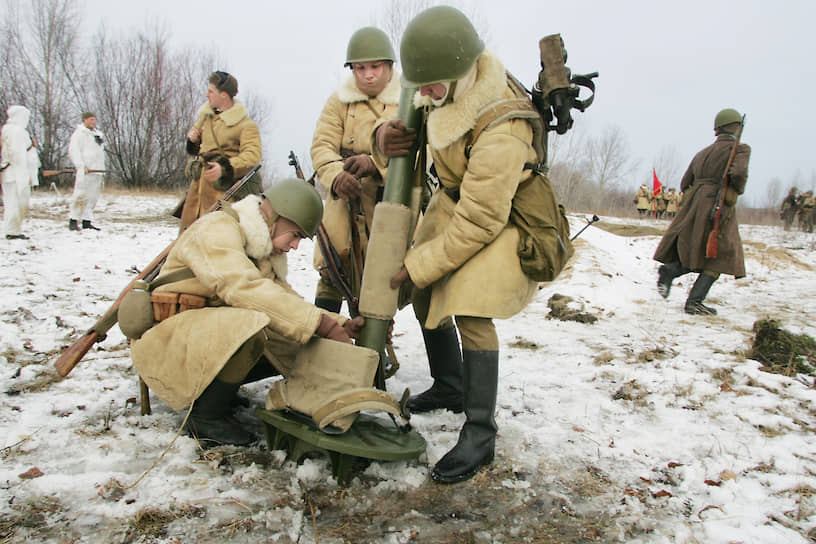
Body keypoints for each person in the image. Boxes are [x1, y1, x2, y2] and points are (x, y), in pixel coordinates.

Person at [374, 6, 545, 483]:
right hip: (454, 206)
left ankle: (480, 433)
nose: (423, 94)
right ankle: (450, 386)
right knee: (425, 294)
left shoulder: (503, 124)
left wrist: (421, 263)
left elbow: (481, 219)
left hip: (505, 219)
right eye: (421, 86)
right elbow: (401, 118)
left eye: (431, 86)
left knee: (469, 307)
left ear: (461, 68)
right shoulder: (441, 80)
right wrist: (385, 136)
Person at [130, 179, 365, 445]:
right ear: (278, 216)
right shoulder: (216, 228)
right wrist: (320, 324)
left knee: (292, 333)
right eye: (296, 235)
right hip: (168, 342)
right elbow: (243, 288)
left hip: (197, 339)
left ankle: (217, 391)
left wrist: (339, 324)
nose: (295, 246)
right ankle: (205, 416)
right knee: (253, 323)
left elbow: (281, 299)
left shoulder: (260, 249)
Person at [310, 27, 400, 312]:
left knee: (392, 281)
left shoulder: (409, 101)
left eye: (375, 67)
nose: (368, 74)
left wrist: (376, 163)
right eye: (361, 68)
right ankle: (326, 348)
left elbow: (422, 151)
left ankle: (374, 350)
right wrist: (337, 177)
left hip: (390, 205)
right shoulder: (337, 102)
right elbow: (321, 145)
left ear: (389, 67)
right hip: (344, 205)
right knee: (332, 273)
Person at [654, 108, 750, 315]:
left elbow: (684, 182)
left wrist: (698, 196)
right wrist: (734, 189)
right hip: (719, 205)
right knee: (720, 254)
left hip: (695, 206)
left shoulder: (702, 153)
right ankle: (694, 302)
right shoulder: (740, 149)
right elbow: (740, 174)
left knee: (699, 250)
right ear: (736, 127)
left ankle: (671, 271)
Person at [179, 71, 262, 231]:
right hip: (197, 193)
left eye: (211, 91)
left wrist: (224, 168)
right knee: (189, 240)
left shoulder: (246, 125)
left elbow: (252, 156)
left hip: (224, 195)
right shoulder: (205, 119)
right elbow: (200, 149)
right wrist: (193, 141)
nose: (207, 95)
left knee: (218, 239)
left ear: (224, 95)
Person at [1, 105, 38, 239]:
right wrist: (25, 175)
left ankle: (14, 229)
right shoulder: (16, 131)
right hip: (15, 173)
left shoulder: (12, 131)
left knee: (17, 202)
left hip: (15, 173)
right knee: (14, 202)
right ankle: (12, 231)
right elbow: (18, 156)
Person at [68, 112, 106, 231]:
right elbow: (74, 150)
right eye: (90, 120)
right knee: (80, 195)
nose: (93, 122)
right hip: (85, 170)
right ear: (84, 120)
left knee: (92, 197)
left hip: (97, 170)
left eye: (94, 120)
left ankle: (87, 221)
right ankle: (73, 220)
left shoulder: (97, 135)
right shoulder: (79, 134)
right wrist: (80, 165)